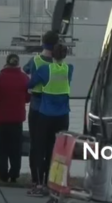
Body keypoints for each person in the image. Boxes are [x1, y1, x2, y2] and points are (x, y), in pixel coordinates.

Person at [27, 43, 73, 197]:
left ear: (52, 55)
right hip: (63, 116)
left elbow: (30, 84)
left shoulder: (45, 69)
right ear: (65, 55)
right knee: (57, 152)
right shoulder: (69, 69)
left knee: (40, 149)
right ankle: (54, 184)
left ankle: (39, 185)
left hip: (45, 115)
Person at [22, 31, 59, 191]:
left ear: (43, 42)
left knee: (36, 145)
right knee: (51, 146)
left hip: (37, 108)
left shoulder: (35, 60)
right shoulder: (60, 64)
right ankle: (48, 179)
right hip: (55, 110)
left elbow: (26, 69)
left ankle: (36, 180)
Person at [0, 53, 30, 183]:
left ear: (6, 62)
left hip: (1, 119)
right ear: (18, 64)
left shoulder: (0, 77)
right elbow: (28, 98)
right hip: (17, 119)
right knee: (15, 149)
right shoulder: (24, 78)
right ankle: (14, 174)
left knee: (1, 149)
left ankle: (3, 175)